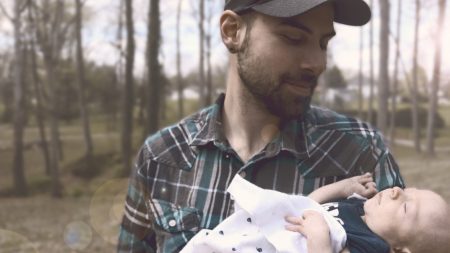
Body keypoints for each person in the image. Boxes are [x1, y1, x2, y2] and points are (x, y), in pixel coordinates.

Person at [117, 0, 404, 252]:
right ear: (232, 31)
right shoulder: (161, 157)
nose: (317, 63)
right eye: (293, 37)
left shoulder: (362, 152)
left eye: (323, 43)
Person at [180, 174, 450, 253]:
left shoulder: (371, 246)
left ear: (400, 249)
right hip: (255, 234)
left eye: (405, 207)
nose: (395, 192)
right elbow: (305, 206)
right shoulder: (357, 209)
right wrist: (341, 187)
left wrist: (319, 239)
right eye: (406, 190)